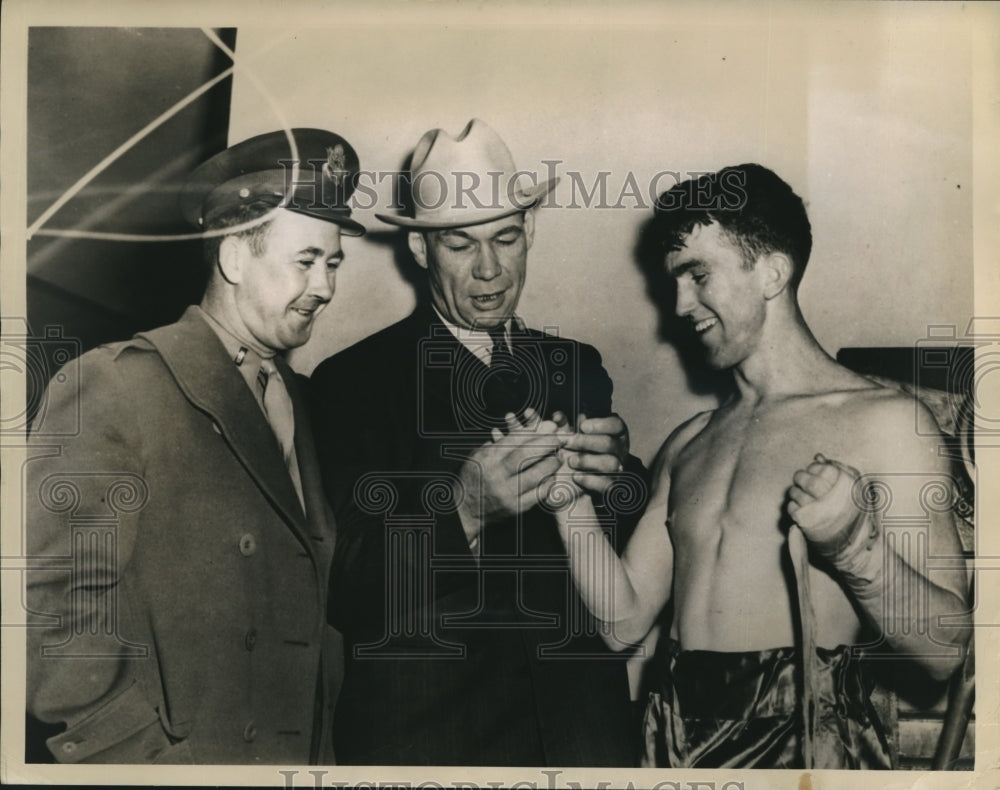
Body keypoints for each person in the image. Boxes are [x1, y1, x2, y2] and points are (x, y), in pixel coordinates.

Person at [542, 164, 972, 769]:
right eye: (674, 282)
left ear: (772, 271)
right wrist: (567, 503)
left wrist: (856, 548)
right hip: (668, 744)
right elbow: (623, 624)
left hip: (800, 746)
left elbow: (945, 651)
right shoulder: (689, 442)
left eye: (697, 275)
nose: (679, 305)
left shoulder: (888, 422)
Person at [309, 119, 646, 766]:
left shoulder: (577, 367)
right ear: (418, 250)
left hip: (586, 739)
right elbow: (343, 586)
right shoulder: (351, 382)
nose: (489, 269)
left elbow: (621, 559)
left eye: (506, 238)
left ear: (531, 234)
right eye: (460, 245)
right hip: (437, 746)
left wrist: (622, 475)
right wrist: (461, 507)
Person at [24, 128, 364, 764]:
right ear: (235, 258)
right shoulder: (118, 385)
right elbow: (51, 617)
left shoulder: (302, 399)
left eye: (334, 262)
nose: (326, 287)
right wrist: (148, 767)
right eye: (306, 260)